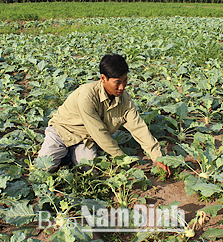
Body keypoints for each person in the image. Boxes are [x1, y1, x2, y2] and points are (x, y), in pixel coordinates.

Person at [38, 54, 170, 175]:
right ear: (103, 78)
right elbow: (100, 133)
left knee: (89, 171)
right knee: (43, 169)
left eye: (125, 81)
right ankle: (65, 152)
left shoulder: (125, 100)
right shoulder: (87, 97)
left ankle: (68, 155)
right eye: (117, 82)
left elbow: (138, 127)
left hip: (86, 139)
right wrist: (122, 159)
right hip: (63, 131)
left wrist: (157, 156)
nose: (122, 87)